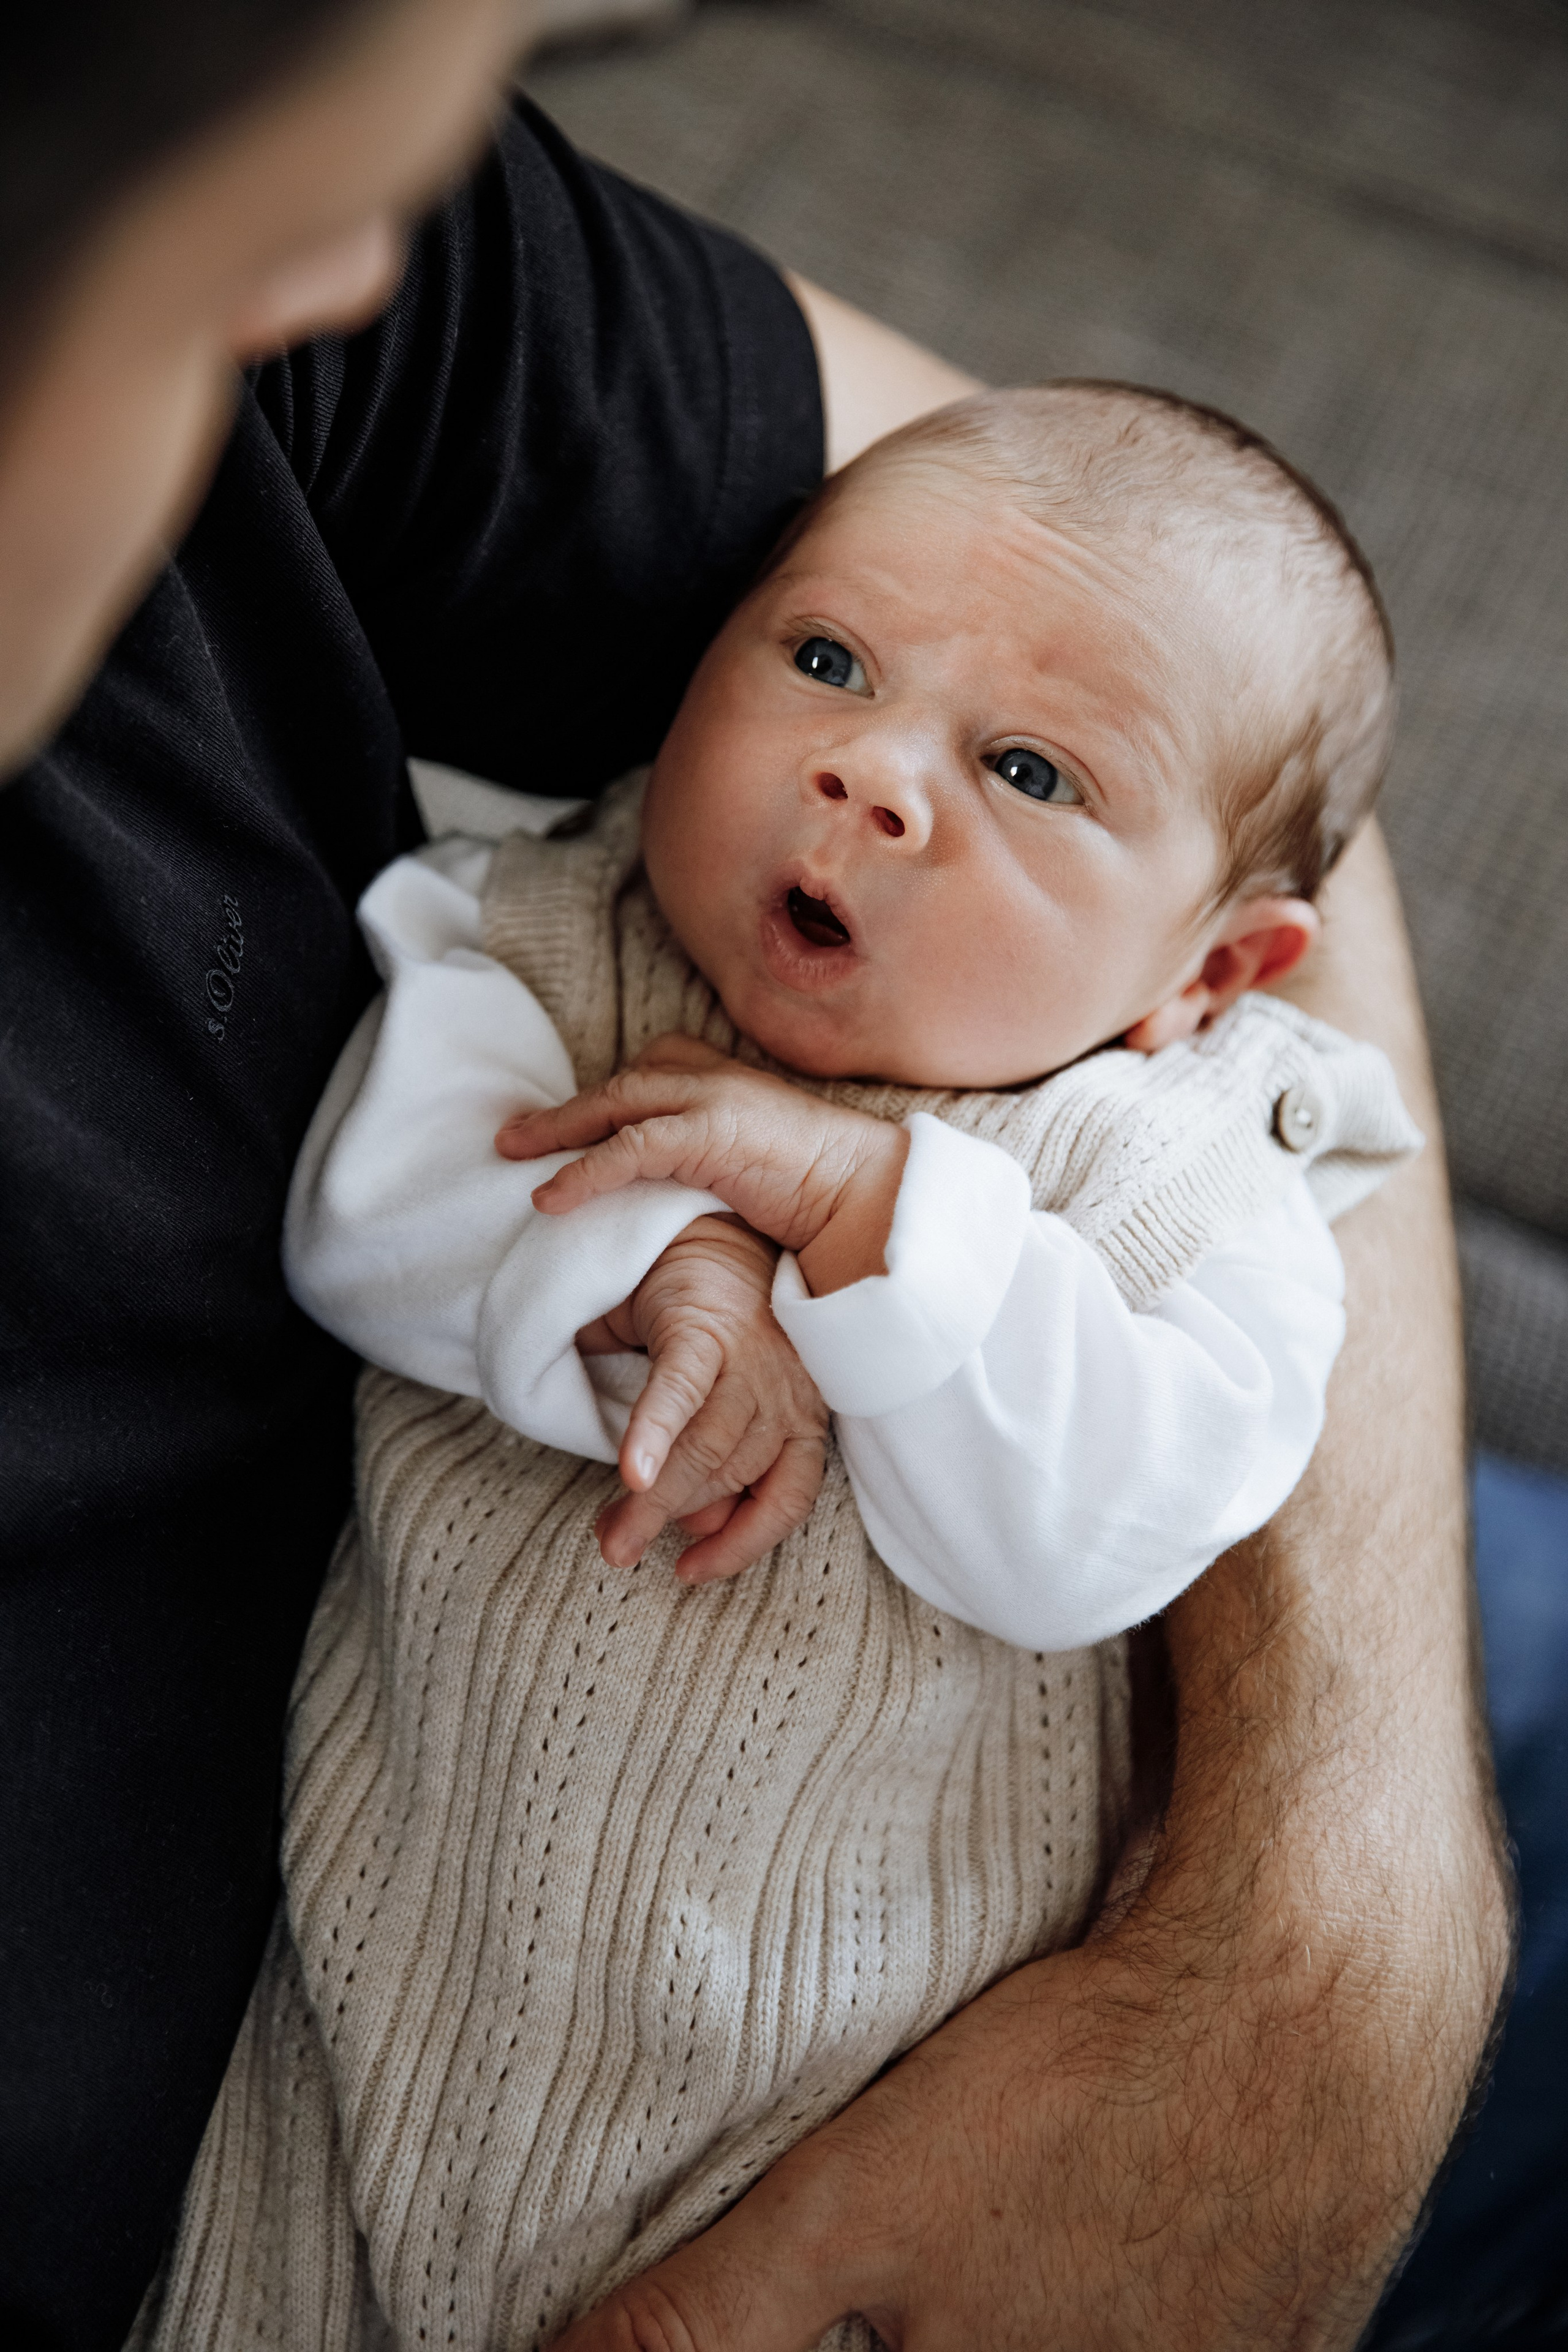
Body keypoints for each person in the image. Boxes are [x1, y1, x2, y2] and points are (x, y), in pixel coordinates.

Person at [0, 4, 1509, 2350]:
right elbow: (373, 1203)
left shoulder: (1192, 1161)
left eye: (1025, 770)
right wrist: (665, 1242)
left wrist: (881, 1226)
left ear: (1225, 974)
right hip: (372, 2093)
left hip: (905, 2051)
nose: (877, 778)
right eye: (817, 658)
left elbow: (1110, 1513)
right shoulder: (533, 946)